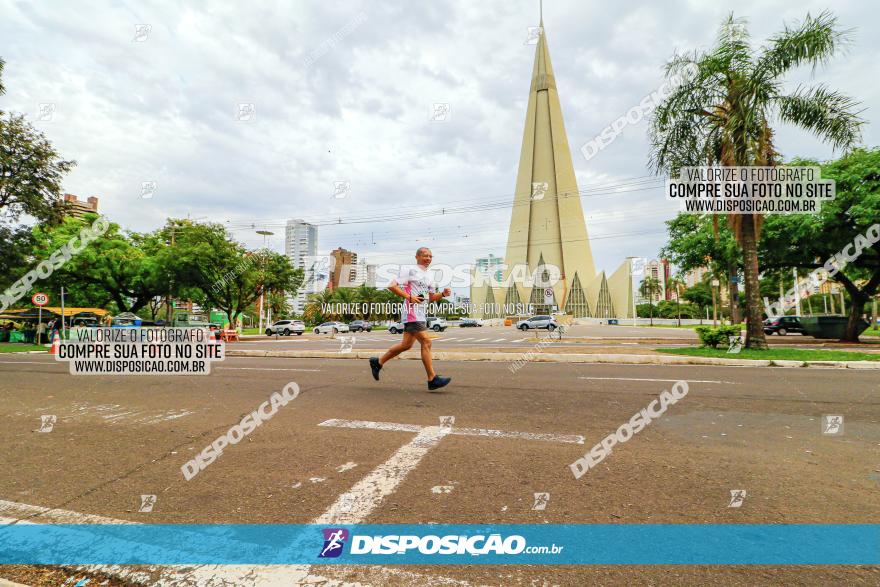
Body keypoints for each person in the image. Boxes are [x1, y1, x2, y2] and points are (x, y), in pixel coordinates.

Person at [369, 247, 452, 391]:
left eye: (431, 256)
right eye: (425, 255)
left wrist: (443, 294)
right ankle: (432, 379)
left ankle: (378, 362)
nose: (428, 258)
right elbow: (391, 286)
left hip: (421, 312)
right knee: (426, 341)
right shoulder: (410, 270)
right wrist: (409, 297)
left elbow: (431, 298)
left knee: (406, 345)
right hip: (411, 312)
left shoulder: (430, 276)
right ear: (417, 257)